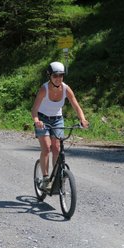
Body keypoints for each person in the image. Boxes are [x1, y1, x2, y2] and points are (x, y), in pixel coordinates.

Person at [31, 61, 89, 190]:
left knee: (57, 148)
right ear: (49, 76)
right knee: (46, 148)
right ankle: (46, 179)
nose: (58, 78)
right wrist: (36, 121)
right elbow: (34, 109)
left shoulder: (66, 89)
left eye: (61, 75)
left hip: (57, 120)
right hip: (42, 119)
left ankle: (57, 175)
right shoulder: (44, 89)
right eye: (55, 76)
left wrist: (83, 119)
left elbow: (76, 105)